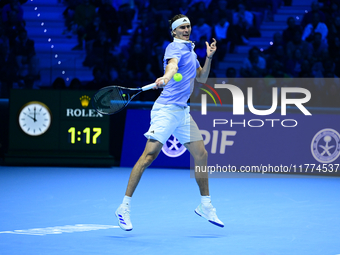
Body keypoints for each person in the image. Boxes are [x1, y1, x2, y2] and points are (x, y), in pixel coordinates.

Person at [115, 14, 224, 231]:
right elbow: (172, 67)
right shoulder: (174, 49)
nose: (186, 29)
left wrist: (209, 58)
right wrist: (166, 77)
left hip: (183, 112)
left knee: (201, 154)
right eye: (182, 27)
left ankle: (205, 205)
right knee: (148, 157)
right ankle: (123, 207)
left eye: (189, 26)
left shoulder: (191, 52)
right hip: (165, 111)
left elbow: (201, 79)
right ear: (174, 31)